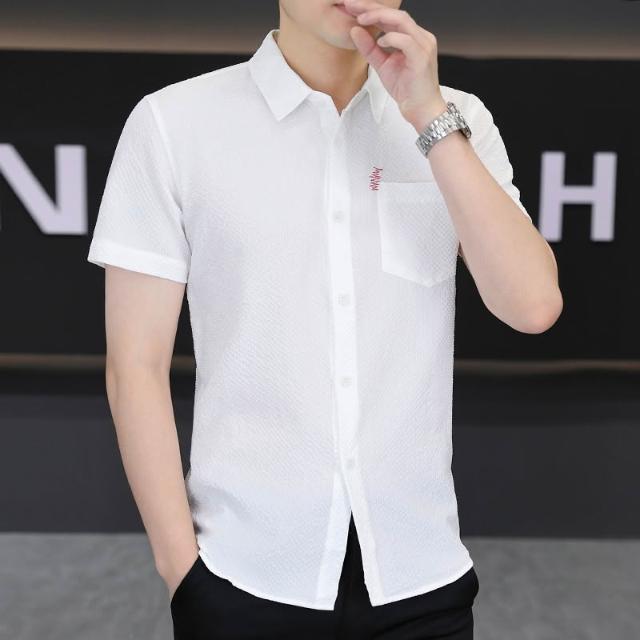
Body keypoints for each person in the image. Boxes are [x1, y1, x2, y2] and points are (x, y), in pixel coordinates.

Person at [87, 0, 562, 638]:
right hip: (243, 573)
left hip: (420, 574)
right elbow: (135, 366)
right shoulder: (175, 123)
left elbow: (531, 306)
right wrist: (182, 570)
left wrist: (427, 115)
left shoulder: (458, 117)